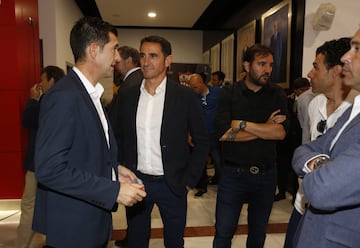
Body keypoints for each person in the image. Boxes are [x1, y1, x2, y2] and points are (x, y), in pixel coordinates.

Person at [32, 17, 146, 248]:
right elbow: (49, 169)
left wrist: (114, 170)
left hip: (90, 222)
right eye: (113, 49)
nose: (117, 57)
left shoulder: (90, 94)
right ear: (94, 50)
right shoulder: (64, 97)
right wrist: (113, 190)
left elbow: (83, 153)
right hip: (73, 227)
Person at [114, 35, 209, 248]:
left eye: (153, 56)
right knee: (136, 241)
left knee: (174, 242)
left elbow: (203, 140)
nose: (146, 62)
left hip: (172, 183)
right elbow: (115, 137)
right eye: (143, 55)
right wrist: (120, 170)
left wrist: (189, 179)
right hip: (137, 183)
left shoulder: (184, 96)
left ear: (168, 60)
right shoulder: (127, 96)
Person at [213, 44, 288, 248]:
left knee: (258, 234)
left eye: (271, 65)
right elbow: (223, 134)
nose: (268, 70)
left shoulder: (277, 94)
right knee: (223, 231)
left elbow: (280, 133)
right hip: (233, 174)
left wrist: (242, 125)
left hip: (266, 175)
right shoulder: (229, 93)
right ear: (247, 65)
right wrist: (266, 129)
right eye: (261, 64)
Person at [291, 29, 360, 248]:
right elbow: (303, 150)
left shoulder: (350, 109)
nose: (347, 57)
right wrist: (323, 162)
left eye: (357, 49)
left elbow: (322, 188)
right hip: (309, 217)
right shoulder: (353, 113)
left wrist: (316, 168)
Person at [16, 66, 65, 248]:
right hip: (59, 165)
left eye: (43, 79)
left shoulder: (45, 101)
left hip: (38, 164)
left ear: (52, 80)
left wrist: (32, 100)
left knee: (29, 206)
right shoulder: (67, 98)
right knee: (55, 205)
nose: (40, 84)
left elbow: (27, 121)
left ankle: (21, 245)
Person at [274, 77, 312, 202]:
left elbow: (304, 123)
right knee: (287, 166)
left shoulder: (302, 99)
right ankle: (288, 192)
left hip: (293, 139)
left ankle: (290, 192)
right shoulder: (292, 100)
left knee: (286, 166)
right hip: (291, 139)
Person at [188, 72, 222, 197]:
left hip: (216, 134)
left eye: (195, 87)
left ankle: (221, 183)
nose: (193, 89)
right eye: (191, 87)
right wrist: (189, 133)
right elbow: (189, 116)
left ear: (203, 83)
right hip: (200, 135)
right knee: (200, 162)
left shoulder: (218, 93)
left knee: (218, 160)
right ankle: (202, 187)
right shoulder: (192, 97)